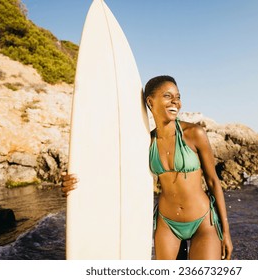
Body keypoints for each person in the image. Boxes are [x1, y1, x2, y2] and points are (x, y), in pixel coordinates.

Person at [62, 75, 233, 260]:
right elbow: (113, 174)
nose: (176, 101)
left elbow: (213, 181)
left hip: (203, 222)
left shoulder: (194, 134)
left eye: (178, 96)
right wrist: (75, 185)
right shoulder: (146, 142)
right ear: (150, 102)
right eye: (168, 96)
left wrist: (226, 232)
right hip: (167, 224)